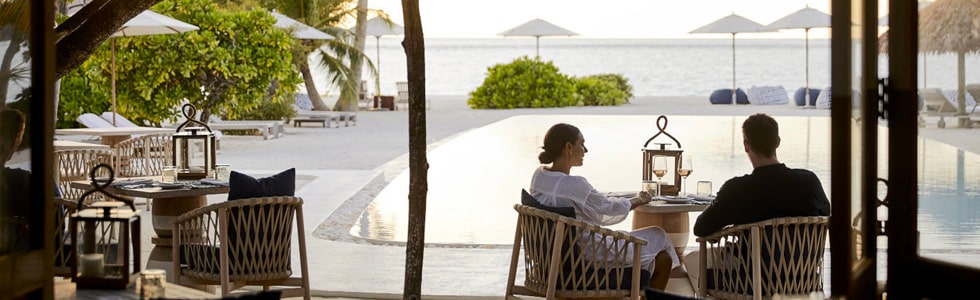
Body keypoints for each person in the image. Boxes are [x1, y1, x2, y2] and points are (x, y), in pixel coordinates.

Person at [683, 113, 830, 293]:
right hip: (804, 279)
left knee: (692, 260)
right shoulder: (810, 182)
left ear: (746, 145)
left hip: (754, 283)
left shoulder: (738, 189)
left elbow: (701, 229)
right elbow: (825, 215)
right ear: (778, 141)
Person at [529, 123, 679, 290]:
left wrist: (628, 197)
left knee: (655, 256)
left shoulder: (539, 176)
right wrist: (637, 201)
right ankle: (679, 285)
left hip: (555, 259)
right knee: (659, 236)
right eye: (582, 144)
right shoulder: (575, 184)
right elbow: (607, 210)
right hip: (588, 256)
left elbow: (594, 201)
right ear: (569, 147)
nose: (585, 150)